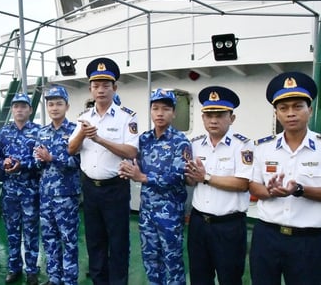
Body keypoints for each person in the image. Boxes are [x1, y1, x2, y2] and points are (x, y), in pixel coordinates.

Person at [68, 57, 139, 285]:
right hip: (90, 188)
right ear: (90, 89)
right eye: (96, 86)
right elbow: (71, 149)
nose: (100, 90)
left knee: (118, 242)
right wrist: (83, 132)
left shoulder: (127, 116)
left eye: (105, 85)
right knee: (95, 241)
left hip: (115, 188)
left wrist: (98, 138)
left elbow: (130, 151)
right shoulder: (84, 118)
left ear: (114, 88)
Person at [249, 71, 321, 285]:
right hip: (267, 236)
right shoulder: (263, 148)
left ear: (309, 110)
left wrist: (299, 190)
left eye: (297, 106)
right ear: (276, 114)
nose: (291, 113)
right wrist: (269, 191)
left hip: (309, 240)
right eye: (283, 108)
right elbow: (254, 186)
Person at [119, 89, 191, 285]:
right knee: (150, 259)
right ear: (150, 111)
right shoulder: (143, 140)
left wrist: (142, 177)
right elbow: (133, 162)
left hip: (170, 213)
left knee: (172, 260)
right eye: (156, 108)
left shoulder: (180, 141)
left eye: (166, 109)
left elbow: (177, 176)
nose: (160, 113)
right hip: (147, 211)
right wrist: (127, 169)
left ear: (174, 113)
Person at [184, 86, 252, 285]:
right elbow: (190, 180)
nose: (214, 120)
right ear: (203, 118)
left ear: (232, 118)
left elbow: (243, 183)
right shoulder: (194, 144)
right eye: (209, 115)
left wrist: (206, 177)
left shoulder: (243, 146)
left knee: (229, 278)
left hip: (228, 226)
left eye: (220, 115)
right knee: (199, 277)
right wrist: (190, 176)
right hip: (198, 224)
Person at [35, 85, 81, 285]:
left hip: (67, 195)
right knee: (50, 238)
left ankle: (69, 280)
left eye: (59, 104)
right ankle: (54, 278)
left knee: (69, 240)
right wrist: (40, 159)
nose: (54, 108)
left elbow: (78, 162)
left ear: (67, 106)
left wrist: (52, 157)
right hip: (46, 194)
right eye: (50, 104)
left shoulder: (75, 132)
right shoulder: (42, 132)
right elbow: (37, 160)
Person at [0, 92, 41, 285]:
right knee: (12, 231)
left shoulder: (39, 132)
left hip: (30, 190)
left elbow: (41, 162)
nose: (19, 109)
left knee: (31, 231)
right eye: (16, 106)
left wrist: (22, 164)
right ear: (12, 109)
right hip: (10, 191)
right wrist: (4, 163)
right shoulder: (4, 132)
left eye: (23, 106)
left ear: (30, 110)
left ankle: (32, 269)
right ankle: (13, 267)